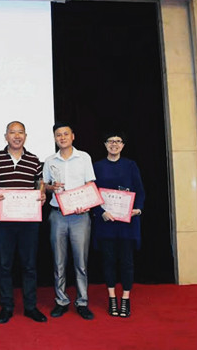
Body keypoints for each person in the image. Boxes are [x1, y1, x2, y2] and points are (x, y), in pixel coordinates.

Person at [0, 121, 47, 324]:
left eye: (20, 132)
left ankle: (30, 306)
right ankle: (7, 307)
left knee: (29, 265)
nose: (17, 136)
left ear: (25, 136)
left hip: (29, 220)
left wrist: (42, 194)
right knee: (4, 265)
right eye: (13, 132)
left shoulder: (34, 159)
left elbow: (40, 183)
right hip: (3, 220)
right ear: (6, 136)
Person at [43, 122, 96, 320]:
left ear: (73, 136)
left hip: (80, 216)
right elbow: (44, 185)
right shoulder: (50, 160)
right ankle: (61, 301)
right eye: (58, 135)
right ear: (55, 138)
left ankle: (82, 302)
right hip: (57, 214)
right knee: (59, 262)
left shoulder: (84, 158)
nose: (62, 137)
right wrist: (51, 187)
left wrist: (86, 203)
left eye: (66, 134)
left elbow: (90, 183)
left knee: (81, 262)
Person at [92, 131, 145, 318]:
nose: (114, 144)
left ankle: (125, 299)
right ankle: (112, 298)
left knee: (126, 262)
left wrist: (138, 209)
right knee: (108, 261)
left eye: (118, 141)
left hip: (126, 223)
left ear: (123, 145)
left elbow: (140, 191)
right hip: (106, 222)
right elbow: (92, 192)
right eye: (110, 141)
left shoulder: (131, 165)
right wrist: (101, 212)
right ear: (105, 144)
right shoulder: (97, 166)